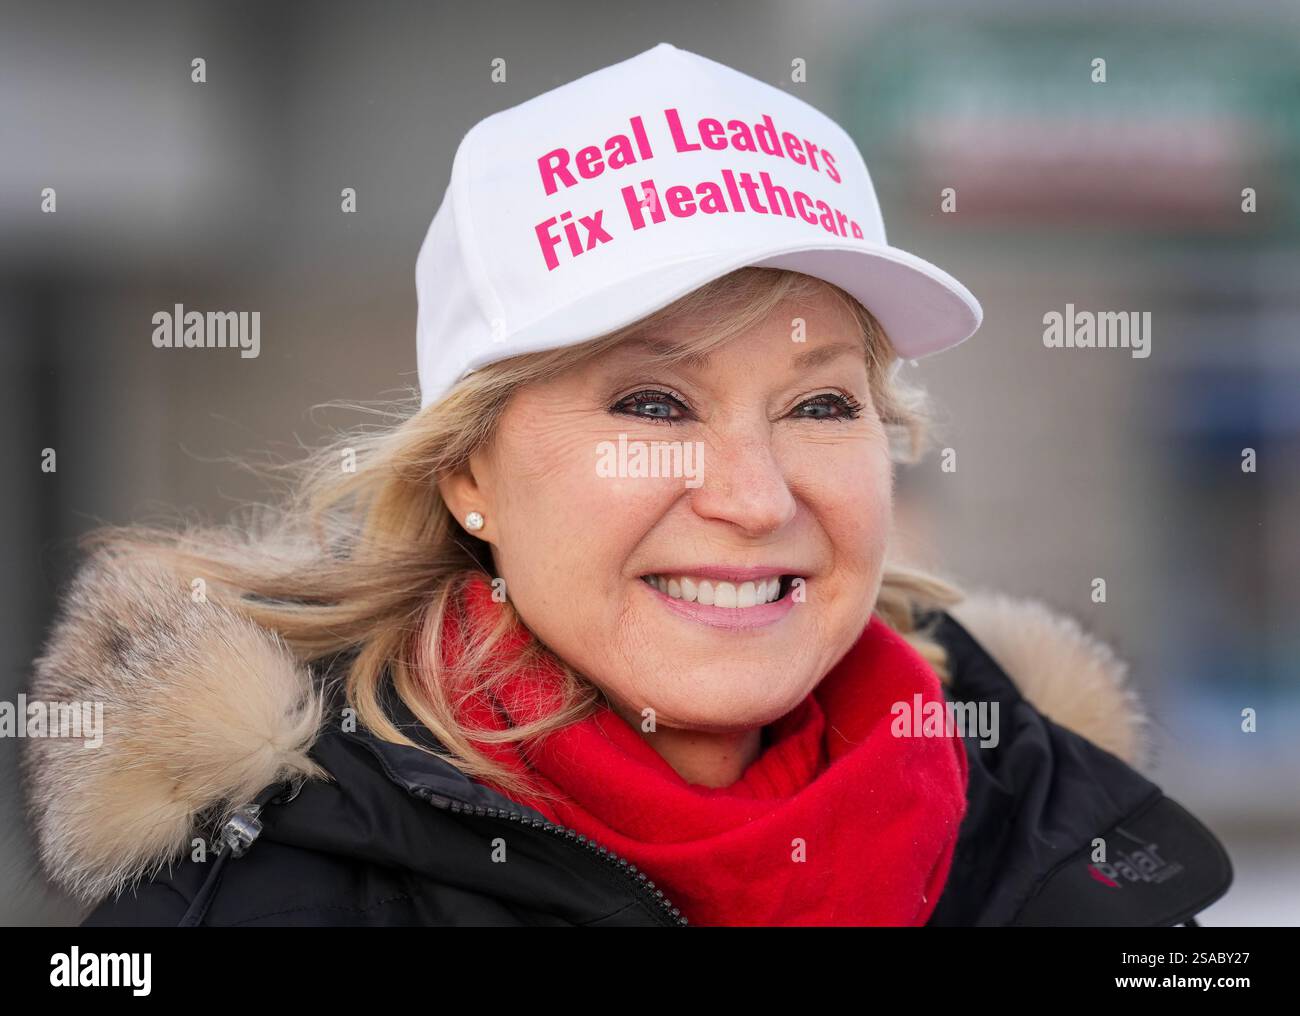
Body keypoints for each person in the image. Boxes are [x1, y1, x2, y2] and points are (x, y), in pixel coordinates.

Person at [20, 42, 1231, 927]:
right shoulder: (247, 898)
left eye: (820, 403)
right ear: (465, 475)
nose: (754, 498)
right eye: (650, 405)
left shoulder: (1058, 841)